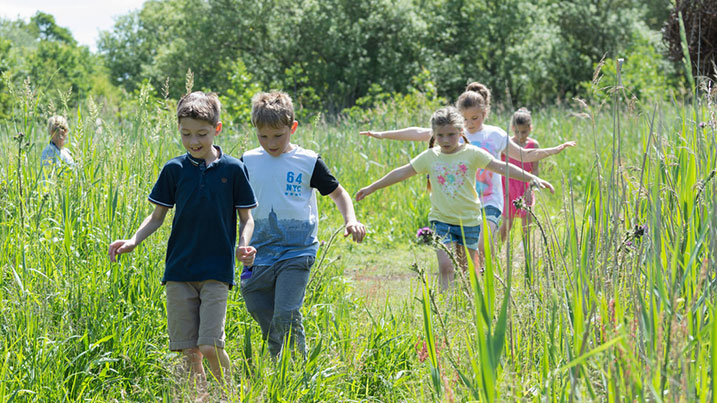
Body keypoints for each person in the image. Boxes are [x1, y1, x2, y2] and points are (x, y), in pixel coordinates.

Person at [108, 92, 257, 392]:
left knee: (210, 344)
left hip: (216, 270)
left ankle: (229, 394)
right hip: (179, 271)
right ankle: (198, 397)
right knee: (188, 349)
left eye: (201, 134)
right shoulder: (173, 170)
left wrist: (244, 245)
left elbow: (247, 218)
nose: (193, 141)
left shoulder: (233, 169)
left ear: (217, 129)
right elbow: (157, 217)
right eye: (186, 134)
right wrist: (133, 240)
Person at [359, 82, 575, 260]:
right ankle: (468, 289)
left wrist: (553, 151)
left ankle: (485, 282)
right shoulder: (452, 135)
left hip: (490, 199)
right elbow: (417, 132)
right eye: (466, 119)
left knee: (482, 245)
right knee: (463, 257)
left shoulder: (495, 135)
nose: (470, 124)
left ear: (485, 113)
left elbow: (524, 156)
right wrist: (382, 134)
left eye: (476, 118)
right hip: (461, 203)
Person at [355, 106, 554, 290]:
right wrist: (372, 187)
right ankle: (446, 309)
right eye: (440, 136)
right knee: (445, 266)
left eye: (451, 134)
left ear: (461, 133)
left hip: (469, 221)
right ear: (434, 135)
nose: (446, 140)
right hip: (442, 220)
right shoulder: (430, 156)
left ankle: (472, 305)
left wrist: (532, 177)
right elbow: (402, 172)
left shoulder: (473, 153)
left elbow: (502, 167)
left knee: (470, 271)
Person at [241, 91, 366, 357]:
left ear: (292, 128)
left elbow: (338, 193)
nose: (270, 143)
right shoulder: (247, 161)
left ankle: (295, 365)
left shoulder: (307, 161)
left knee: (286, 311)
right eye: (263, 136)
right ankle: (282, 351)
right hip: (257, 253)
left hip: (298, 251)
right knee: (256, 304)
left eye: (278, 135)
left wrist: (350, 220)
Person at [499, 108, 539, 243]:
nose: (520, 135)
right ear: (512, 128)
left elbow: (535, 170)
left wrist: (530, 189)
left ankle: (526, 252)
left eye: (524, 132)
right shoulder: (506, 144)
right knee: (507, 224)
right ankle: (495, 252)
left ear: (530, 128)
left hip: (525, 188)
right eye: (517, 132)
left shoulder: (533, 145)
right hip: (508, 188)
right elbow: (499, 167)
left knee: (527, 222)